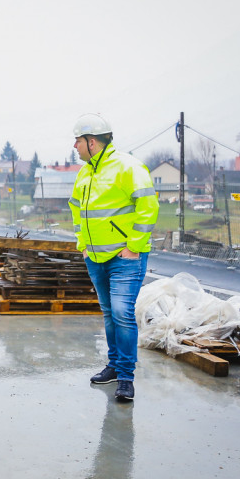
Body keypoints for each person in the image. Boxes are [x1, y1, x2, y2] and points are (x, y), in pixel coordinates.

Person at [70, 113, 159, 402]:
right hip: (95, 257)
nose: (75, 145)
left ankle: (126, 377)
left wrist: (134, 245)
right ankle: (114, 365)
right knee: (109, 313)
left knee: (122, 313)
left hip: (125, 258)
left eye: (78, 140)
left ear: (92, 142)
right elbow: (77, 210)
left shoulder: (128, 167)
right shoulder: (85, 173)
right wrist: (83, 243)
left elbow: (148, 205)